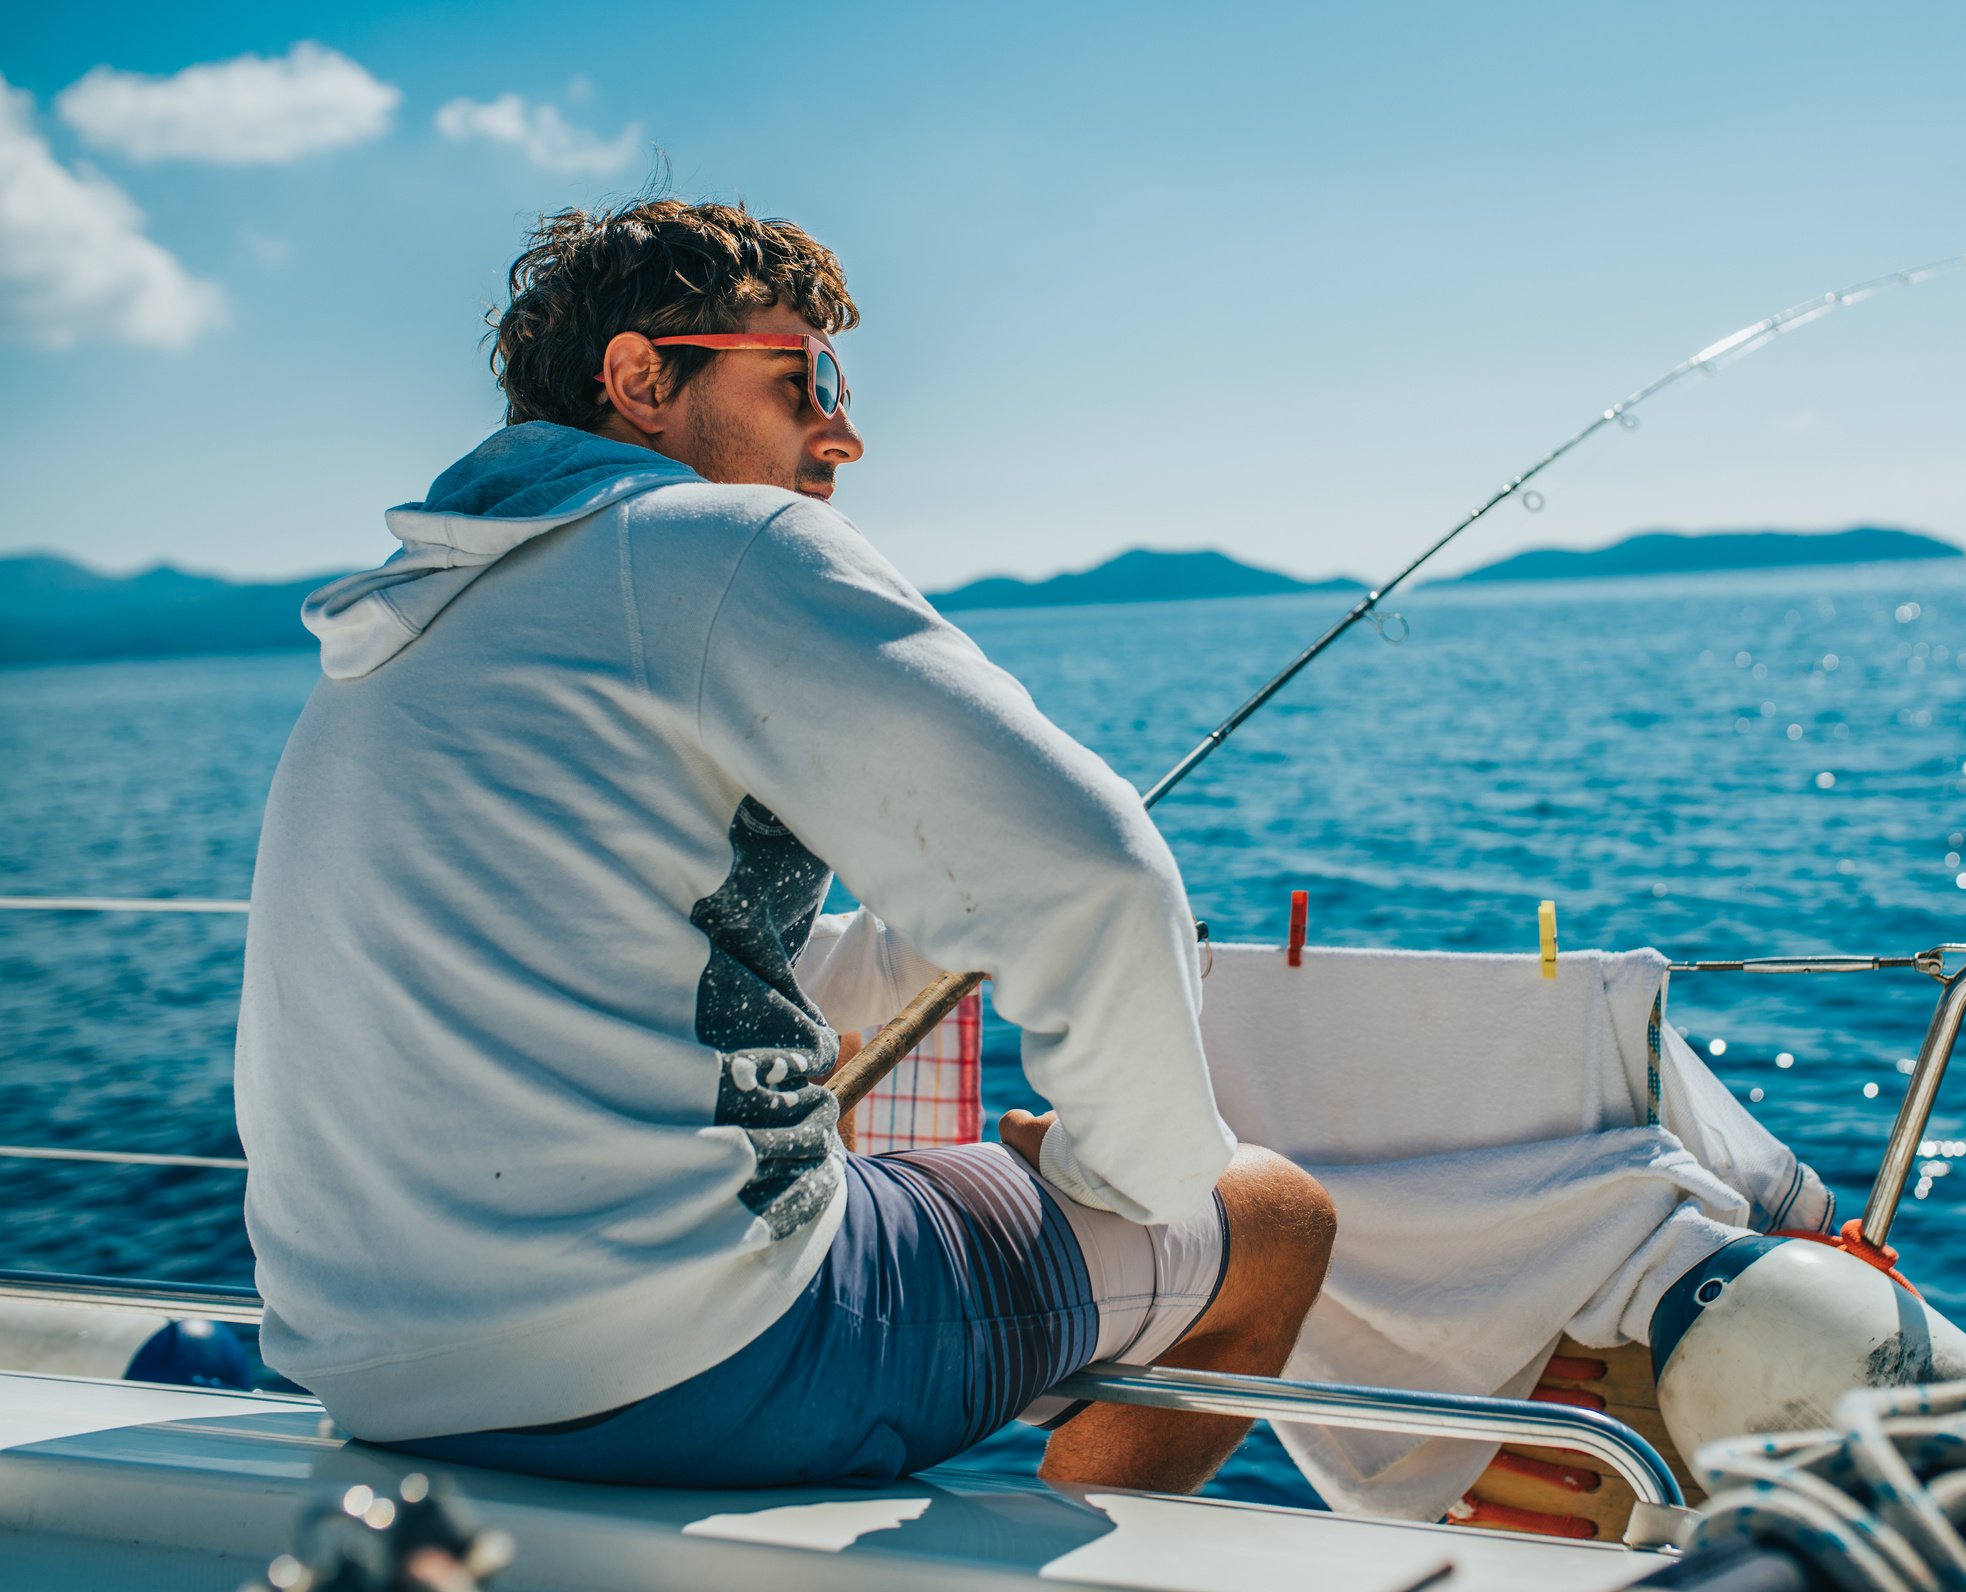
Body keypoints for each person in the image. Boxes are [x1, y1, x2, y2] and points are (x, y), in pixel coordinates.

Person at [233, 197, 1336, 1492]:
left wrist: (842, 1007)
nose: (844, 432)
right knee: (1268, 1220)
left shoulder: (399, 627)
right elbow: (1095, 874)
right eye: (802, 379)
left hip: (376, 1381)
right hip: (690, 1365)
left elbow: (588, 936)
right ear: (642, 378)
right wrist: (1116, 1174)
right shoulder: (711, 542)